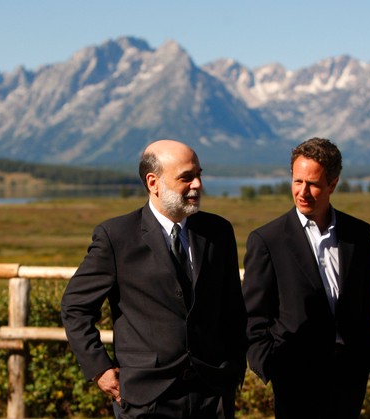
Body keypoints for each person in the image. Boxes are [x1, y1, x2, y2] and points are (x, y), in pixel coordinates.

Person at [61, 139, 248, 418]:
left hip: (213, 395)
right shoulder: (116, 237)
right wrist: (99, 368)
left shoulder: (219, 231)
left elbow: (233, 307)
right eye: (186, 177)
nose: (197, 185)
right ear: (153, 182)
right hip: (145, 398)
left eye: (199, 175)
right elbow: (75, 306)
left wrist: (233, 368)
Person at [242, 137, 370, 418]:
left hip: (350, 374)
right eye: (297, 181)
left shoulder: (359, 234)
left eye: (312, 184)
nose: (302, 192)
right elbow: (254, 315)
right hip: (295, 376)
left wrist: (362, 351)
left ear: (333, 184)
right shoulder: (267, 240)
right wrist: (270, 364)